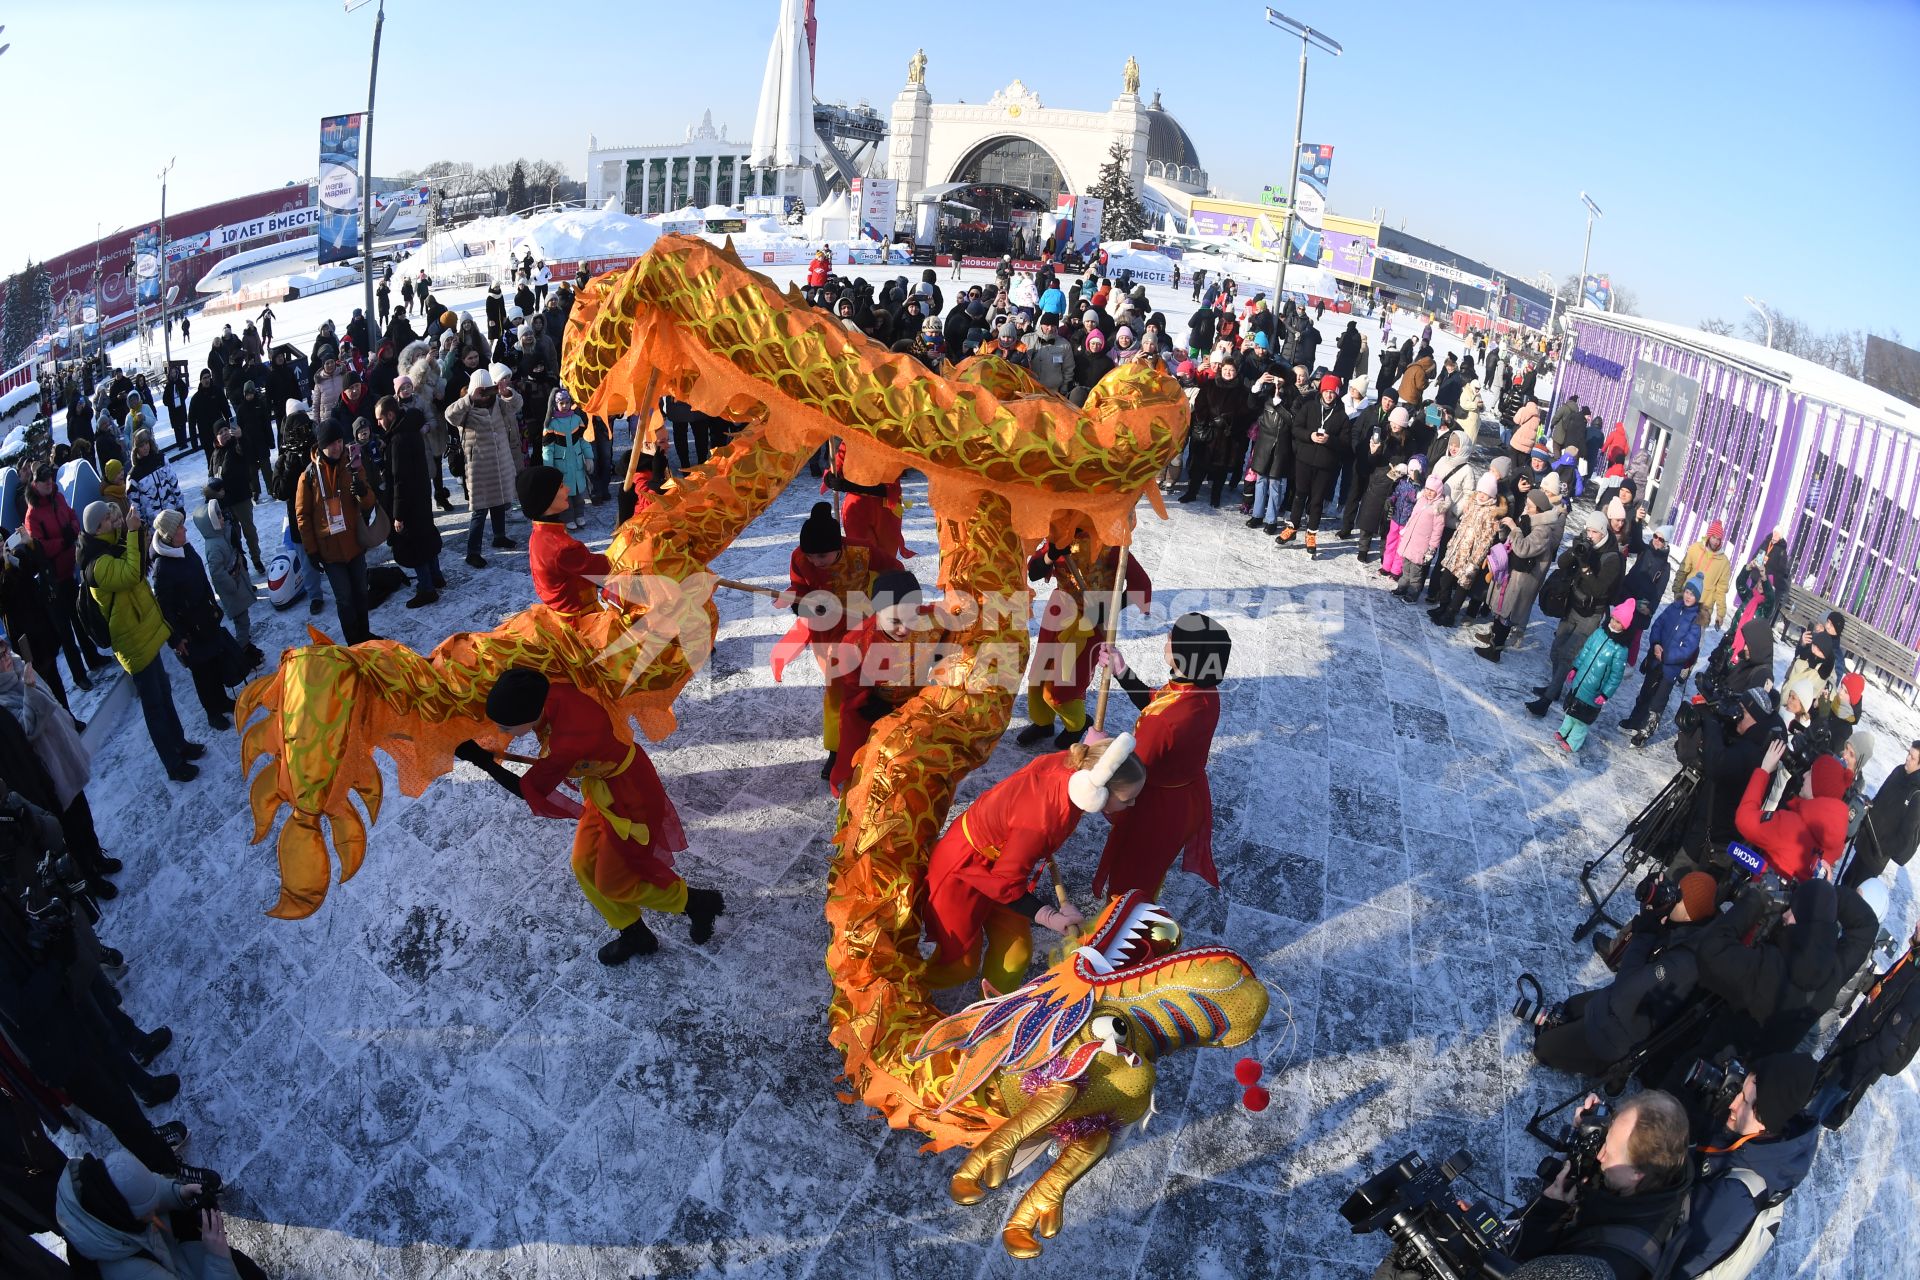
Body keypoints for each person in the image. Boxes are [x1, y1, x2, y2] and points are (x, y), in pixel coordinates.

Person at [478, 668, 724, 965]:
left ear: (527, 714)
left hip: (632, 797)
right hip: (603, 786)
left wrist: (485, 765)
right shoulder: (552, 688)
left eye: (505, 726)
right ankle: (634, 933)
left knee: (613, 881)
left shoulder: (566, 744)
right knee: (583, 864)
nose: (502, 733)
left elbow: (531, 789)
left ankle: (696, 903)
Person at [922, 737, 1145, 994]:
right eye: (1127, 798)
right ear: (1098, 791)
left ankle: (992, 1008)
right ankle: (906, 993)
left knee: (1017, 954)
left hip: (1003, 863)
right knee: (961, 965)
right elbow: (1007, 886)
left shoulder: (1077, 767)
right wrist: (1050, 917)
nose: (1132, 804)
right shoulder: (1042, 822)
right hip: (963, 870)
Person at [1090, 614, 1228, 898]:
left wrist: (1095, 752)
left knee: (1128, 882)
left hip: (1154, 813)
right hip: (1184, 802)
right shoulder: (1201, 691)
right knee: (1151, 872)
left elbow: (1130, 774)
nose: (1166, 640)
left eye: (1171, 638)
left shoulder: (1164, 721)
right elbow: (1158, 701)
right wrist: (1122, 671)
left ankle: (1121, 932)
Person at [1534, 871, 1718, 1076]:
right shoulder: (1680, 925)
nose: (1673, 896)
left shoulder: (1684, 959)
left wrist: (1646, 931)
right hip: (1611, 1004)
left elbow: (1627, 983)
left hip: (1618, 1032)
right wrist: (1649, 907)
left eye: (1679, 896)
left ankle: (1609, 1070)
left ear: (1690, 914)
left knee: (1542, 1048)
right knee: (1568, 1008)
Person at [1508, 1091, 1694, 1280]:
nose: (1599, 1156)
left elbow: (1518, 1264)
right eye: (1605, 1140)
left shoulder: (1610, 1264)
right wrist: (1589, 1131)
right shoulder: (1664, 1166)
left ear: (1637, 1173)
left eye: (1609, 1152)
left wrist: (1547, 1212)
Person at [78, 503, 202, 781]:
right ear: (98, 528)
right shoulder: (96, 564)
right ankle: (172, 763)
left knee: (165, 693)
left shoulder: (110, 546)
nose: (115, 521)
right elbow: (131, 574)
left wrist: (134, 531)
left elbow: (140, 564)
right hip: (133, 644)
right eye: (110, 519)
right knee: (154, 706)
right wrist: (132, 533)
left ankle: (180, 745)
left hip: (145, 634)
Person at [1673, 1054, 1820, 1279]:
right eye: (1738, 1091)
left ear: (1765, 1120)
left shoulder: (1734, 1196)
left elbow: (1675, 1266)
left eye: (1744, 1100)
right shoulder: (1762, 1145)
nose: (1731, 1103)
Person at [773, 503, 879, 780]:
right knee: (837, 689)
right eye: (811, 556)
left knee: (871, 682)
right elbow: (799, 588)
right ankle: (837, 748)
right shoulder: (800, 557)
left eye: (822, 555)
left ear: (839, 547)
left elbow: (895, 571)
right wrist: (805, 605)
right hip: (828, 632)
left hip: (864, 624)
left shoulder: (862, 551)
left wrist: (885, 601)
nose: (815, 561)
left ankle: (873, 737)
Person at [1017, 534, 1151, 750]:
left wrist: (1107, 609)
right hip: (1058, 612)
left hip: (1088, 623)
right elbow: (1033, 572)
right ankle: (1043, 724)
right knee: (1040, 675)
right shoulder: (1061, 536)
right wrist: (1050, 556)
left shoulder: (1112, 547)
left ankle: (1076, 725)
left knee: (1062, 686)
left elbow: (1140, 585)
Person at [55, 1150, 264, 1279]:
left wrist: (178, 1193)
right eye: (149, 1211)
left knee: (245, 1267)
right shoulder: (130, 1272)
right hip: (178, 1267)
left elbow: (147, 1187)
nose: (154, 1211)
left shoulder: (101, 1187)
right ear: (128, 1218)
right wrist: (217, 1258)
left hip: (172, 1251)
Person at [1814, 917, 1920, 1129]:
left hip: (1858, 1059)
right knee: (1816, 1090)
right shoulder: (1915, 956)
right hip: (1857, 1038)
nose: (1917, 923)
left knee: (1813, 1113)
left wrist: (1854, 1065)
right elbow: (1888, 990)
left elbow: (1894, 1035)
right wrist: (1865, 981)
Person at [148, 509, 242, 731]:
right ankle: (212, 712)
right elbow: (165, 609)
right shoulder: (162, 568)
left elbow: (202, 579)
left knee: (214, 664)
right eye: (180, 527)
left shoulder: (185, 549)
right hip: (189, 632)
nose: (185, 529)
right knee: (202, 674)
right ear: (170, 535)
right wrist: (176, 639)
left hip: (206, 620)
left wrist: (213, 606)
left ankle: (221, 700)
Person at [1526, 509, 1625, 717]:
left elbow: (1598, 589)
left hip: (1591, 614)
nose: (1590, 535)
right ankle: (1555, 687)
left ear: (1603, 532)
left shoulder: (1612, 558)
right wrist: (1575, 551)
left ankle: (1546, 700)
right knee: (1556, 650)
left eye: (1594, 532)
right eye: (1588, 530)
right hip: (1572, 606)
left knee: (1567, 655)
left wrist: (1585, 564)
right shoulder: (1584, 544)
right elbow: (1561, 564)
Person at [23, 464, 114, 689]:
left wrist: (73, 529)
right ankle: (78, 674)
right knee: (65, 631)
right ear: (35, 484)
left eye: (50, 479)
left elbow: (73, 516)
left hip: (69, 570)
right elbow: (38, 546)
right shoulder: (33, 514)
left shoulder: (58, 498)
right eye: (44, 481)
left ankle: (92, 659)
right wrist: (63, 541)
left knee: (80, 617)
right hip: (53, 580)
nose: (49, 483)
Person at [294, 419, 375, 645]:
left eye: (340, 441)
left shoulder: (352, 463)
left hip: (354, 542)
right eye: (332, 443)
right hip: (330, 551)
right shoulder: (308, 476)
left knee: (360, 591)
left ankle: (365, 636)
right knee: (345, 599)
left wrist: (362, 492)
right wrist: (311, 551)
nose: (338, 447)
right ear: (321, 446)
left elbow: (369, 500)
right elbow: (303, 516)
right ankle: (354, 643)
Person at [373, 394, 446, 609]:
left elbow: (399, 480)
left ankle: (426, 588)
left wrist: (398, 514)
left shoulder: (398, 440)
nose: (378, 423)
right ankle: (436, 576)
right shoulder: (410, 429)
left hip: (410, 501)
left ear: (390, 414)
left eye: (380, 418)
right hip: (421, 496)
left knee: (416, 545)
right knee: (427, 535)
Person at [444, 367, 521, 569]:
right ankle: (473, 552)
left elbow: (517, 405)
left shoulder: (498, 404)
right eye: (482, 390)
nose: (485, 395)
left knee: (500, 503)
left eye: (488, 389)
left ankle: (499, 536)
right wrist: (470, 398)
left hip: (500, 463)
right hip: (479, 468)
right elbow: (449, 415)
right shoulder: (466, 410)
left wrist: (507, 393)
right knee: (479, 511)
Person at [1621, 577, 1704, 747]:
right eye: (1687, 592)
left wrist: (1667, 656)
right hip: (1656, 660)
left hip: (1671, 668)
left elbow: (1688, 647)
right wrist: (1656, 644)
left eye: (1692, 594)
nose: (1688, 597)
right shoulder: (1673, 608)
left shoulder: (1696, 621)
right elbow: (1658, 624)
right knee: (1645, 692)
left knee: (1658, 700)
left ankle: (1645, 732)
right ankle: (1635, 721)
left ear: (1698, 598)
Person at [517, 464, 607, 618]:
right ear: (545, 497)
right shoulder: (563, 547)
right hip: (580, 621)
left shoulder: (539, 533)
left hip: (559, 612)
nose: (568, 489)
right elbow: (605, 568)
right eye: (560, 486)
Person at [1276, 374, 1349, 556]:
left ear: (1337, 394)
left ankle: (1311, 534)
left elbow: (1346, 444)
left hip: (1325, 466)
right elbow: (1296, 428)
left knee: (1316, 502)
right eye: (1327, 391)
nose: (1329, 395)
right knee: (1299, 495)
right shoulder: (1309, 407)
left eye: (1333, 392)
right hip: (1304, 460)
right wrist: (1310, 436)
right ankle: (1292, 528)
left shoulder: (1342, 416)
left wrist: (1329, 440)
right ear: (1322, 391)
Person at [192, 497, 258, 654]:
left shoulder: (220, 536)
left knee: (243, 619)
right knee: (242, 622)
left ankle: (245, 643)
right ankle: (242, 650)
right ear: (211, 523)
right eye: (219, 516)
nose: (223, 518)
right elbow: (217, 573)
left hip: (237, 585)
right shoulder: (214, 546)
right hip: (232, 590)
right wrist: (233, 586)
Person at [207, 426, 265, 574]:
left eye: (226, 429)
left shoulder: (237, 445)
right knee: (233, 537)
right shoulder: (214, 454)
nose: (224, 433)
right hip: (225, 502)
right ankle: (241, 567)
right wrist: (212, 493)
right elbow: (211, 476)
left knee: (249, 531)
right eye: (220, 432)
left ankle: (256, 559)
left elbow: (247, 452)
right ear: (216, 437)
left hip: (241, 498)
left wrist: (241, 437)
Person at [540, 389, 592, 531]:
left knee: (579, 493)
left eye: (567, 402)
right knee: (565, 496)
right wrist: (549, 468)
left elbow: (584, 440)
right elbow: (547, 449)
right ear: (555, 404)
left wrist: (589, 457)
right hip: (560, 466)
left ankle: (579, 514)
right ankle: (568, 518)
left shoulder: (577, 420)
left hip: (576, 464)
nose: (564, 405)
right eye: (561, 403)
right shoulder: (551, 424)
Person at [1674, 521, 1732, 631]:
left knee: (1693, 642)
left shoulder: (1724, 562)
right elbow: (1683, 571)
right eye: (1714, 538)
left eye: (1719, 539)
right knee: (1675, 631)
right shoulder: (1695, 549)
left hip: (1704, 608)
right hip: (1686, 598)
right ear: (1709, 536)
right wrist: (1677, 592)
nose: (1715, 542)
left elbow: (1721, 590)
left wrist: (1720, 614)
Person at [124, 431, 184, 525]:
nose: (145, 447)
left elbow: (174, 482)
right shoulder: (134, 475)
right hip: (154, 524)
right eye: (141, 445)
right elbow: (134, 504)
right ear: (136, 449)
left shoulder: (161, 460)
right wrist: (143, 525)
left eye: (147, 443)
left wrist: (180, 506)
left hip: (172, 515)